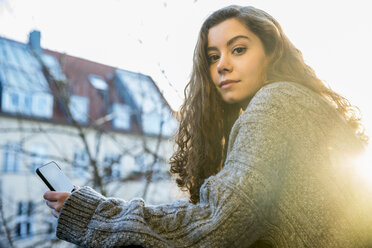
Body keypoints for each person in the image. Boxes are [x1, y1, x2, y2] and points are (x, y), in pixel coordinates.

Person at [43, 5, 372, 247]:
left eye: (238, 49)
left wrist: (95, 214)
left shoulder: (275, 103)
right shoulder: (303, 102)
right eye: (212, 57)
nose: (223, 66)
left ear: (270, 52)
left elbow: (218, 224)